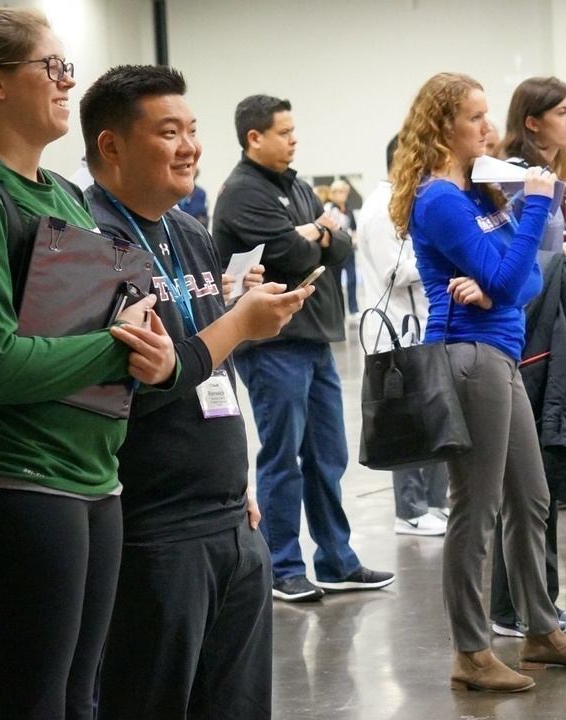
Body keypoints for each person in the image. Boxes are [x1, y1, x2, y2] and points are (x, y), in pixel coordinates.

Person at [0, 10, 178, 716]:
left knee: (79, 701)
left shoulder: (62, 194)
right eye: (51, 68)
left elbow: (86, 323)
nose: (67, 83)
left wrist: (149, 348)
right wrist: (115, 345)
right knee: (30, 705)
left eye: (66, 67)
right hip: (9, 481)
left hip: (91, 475)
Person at [79, 64, 313, 718]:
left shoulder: (187, 231)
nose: (190, 147)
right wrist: (241, 323)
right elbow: (129, 381)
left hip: (229, 517)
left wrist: (238, 478)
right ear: (112, 145)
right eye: (168, 133)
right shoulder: (88, 240)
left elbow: (213, 362)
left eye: (192, 130)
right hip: (150, 526)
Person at [390, 71, 566, 692]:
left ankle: (540, 628)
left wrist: (496, 285)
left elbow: (529, 280)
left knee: (531, 498)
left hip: (500, 354)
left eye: (487, 115)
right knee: (477, 508)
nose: (489, 129)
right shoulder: (440, 200)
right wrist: (535, 207)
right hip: (468, 357)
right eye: (475, 118)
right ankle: (470, 650)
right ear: (443, 128)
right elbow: (514, 280)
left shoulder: (480, 194)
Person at [212, 94, 394, 603]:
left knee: (328, 455)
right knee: (282, 458)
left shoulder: (295, 186)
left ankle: (337, 561)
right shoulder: (241, 193)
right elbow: (292, 252)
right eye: (284, 132)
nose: (294, 140)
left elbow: (341, 246)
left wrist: (317, 234)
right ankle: (283, 567)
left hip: (314, 340)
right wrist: (316, 234)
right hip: (274, 345)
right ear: (255, 138)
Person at [487, 76, 566, 638]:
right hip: (525, 337)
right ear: (532, 121)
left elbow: (544, 254)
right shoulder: (512, 180)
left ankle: (536, 600)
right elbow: (514, 263)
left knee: (541, 477)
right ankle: (515, 606)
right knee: (526, 481)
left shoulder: (543, 177)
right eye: (562, 112)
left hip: (550, 328)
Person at [356, 135, 449, 537]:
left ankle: (435, 502)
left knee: (434, 415)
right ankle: (409, 511)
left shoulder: (407, 202)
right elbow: (392, 272)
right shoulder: (381, 209)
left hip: (420, 324)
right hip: (394, 330)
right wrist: (440, 256)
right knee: (407, 420)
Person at [325, 178, 360, 320]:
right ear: (333, 193)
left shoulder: (348, 209)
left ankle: (354, 309)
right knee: (337, 282)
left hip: (349, 248)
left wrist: (354, 238)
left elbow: (354, 227)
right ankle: (340, 312)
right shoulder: (329, 209)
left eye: (345, 192)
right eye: (340, 192)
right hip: (336, 249)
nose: (343, 195)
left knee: (352, 279)